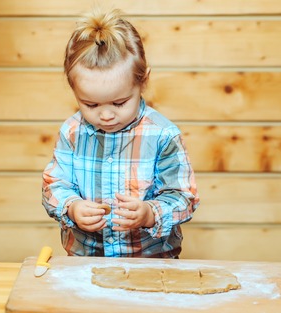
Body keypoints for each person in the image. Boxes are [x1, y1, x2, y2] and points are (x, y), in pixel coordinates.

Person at [42, 8, 199, 258]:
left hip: (151, 262)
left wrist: (150, 213)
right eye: (90, 105)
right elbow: (55, 185)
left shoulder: (162, 134)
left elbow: (184, 197)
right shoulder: (72, 131)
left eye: (119, 103)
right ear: (73, 89)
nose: (105, 115)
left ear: (142, 81)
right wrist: (72, 207)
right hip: (86, 262)